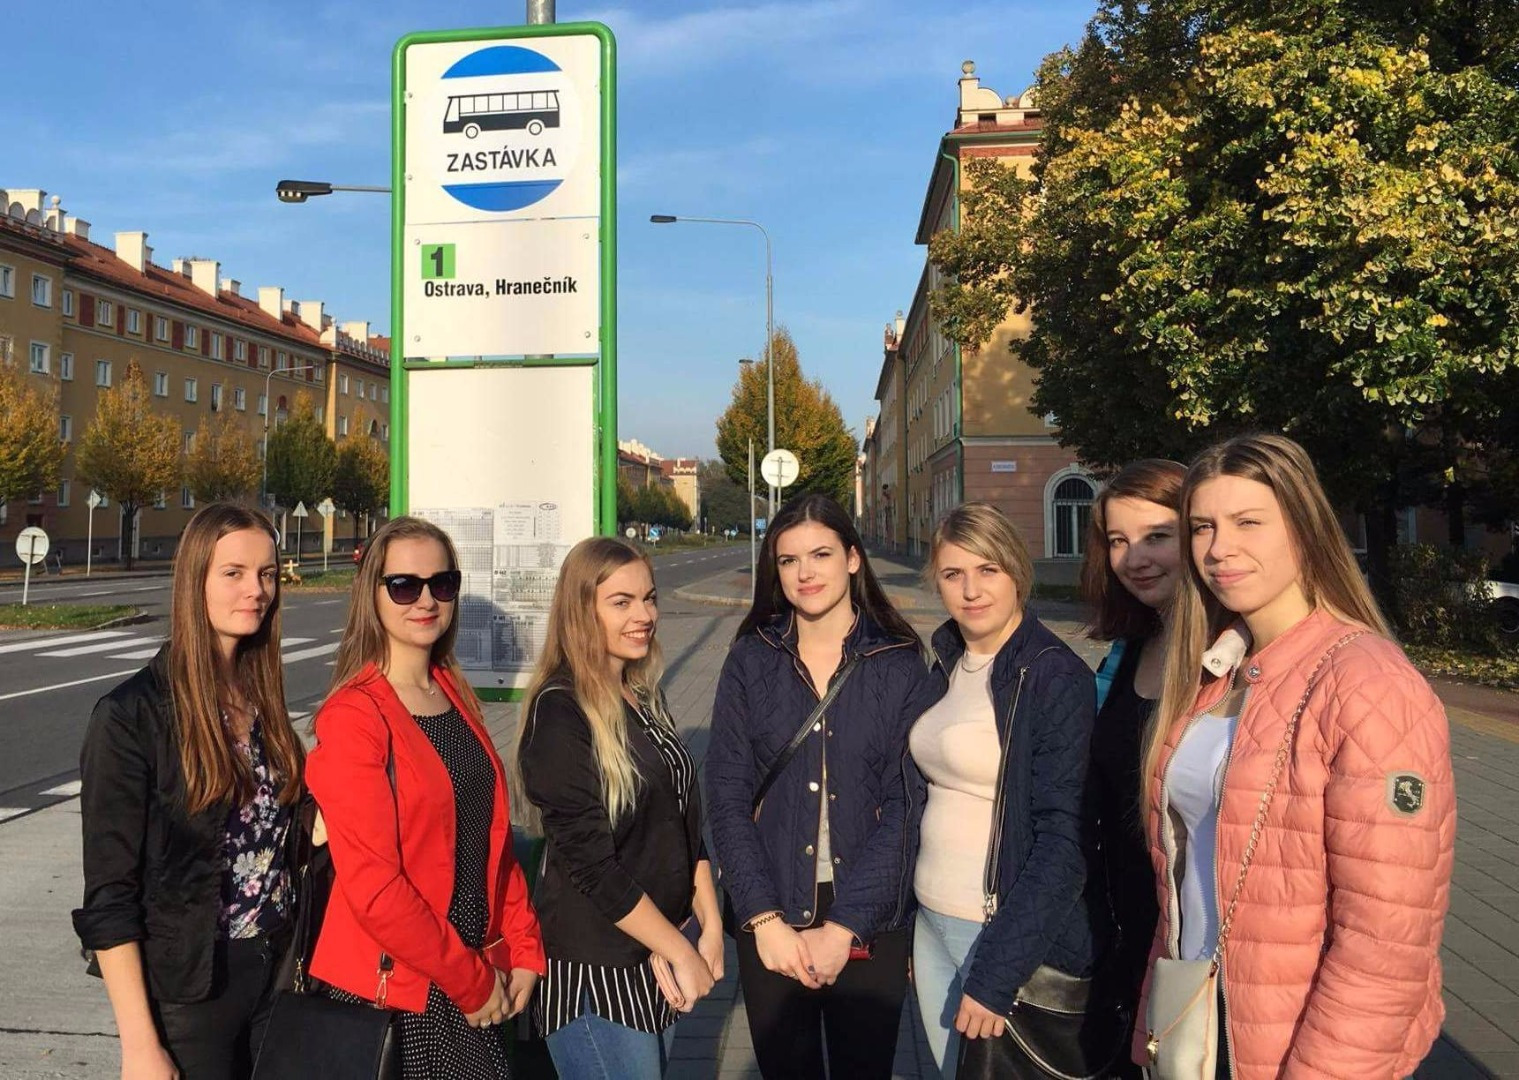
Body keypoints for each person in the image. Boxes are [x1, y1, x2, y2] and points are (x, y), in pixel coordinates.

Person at [1138, 434, 1455, 1077]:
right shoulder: (1218, 669)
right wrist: (1154, 1016)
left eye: (1248, 522)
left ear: (1305, 529)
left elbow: (1386, 942)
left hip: (1295, 1046)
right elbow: (1186, 876)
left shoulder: (1368, 683)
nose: (1219, 549)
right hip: (1200, 1019)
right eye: (1203, 527)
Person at [305, 516, 545, 1079]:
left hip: (472, 977)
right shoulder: (354, 716)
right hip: (400, 995)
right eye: (404, 586)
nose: (426, 600)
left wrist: (524, 946)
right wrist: (471, 981)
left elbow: (489, 840)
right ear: (373, 594)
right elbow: (375, 889)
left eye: (442, 583)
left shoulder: (450, 691)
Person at [708, 493, 937, 1080]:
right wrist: (762, 919)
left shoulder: (899, 662)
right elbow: (727, 796)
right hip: (772, 907)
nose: (805, 573)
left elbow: (907, 808)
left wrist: (845, 927)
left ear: (853, 559)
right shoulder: (751, 660)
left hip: (869, 914)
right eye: (789, 560)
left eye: (821, 555)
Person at [74, 503, 305, 1080]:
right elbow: (110, 895)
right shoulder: (131, 717)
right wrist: (140, 1046)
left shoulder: (260, 699)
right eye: (233, 573)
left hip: (278, 972)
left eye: (267, 573)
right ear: (194, 581)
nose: (256, 590)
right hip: (190, 994)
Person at [911, 501, 1113, 1076]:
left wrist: (997, 975)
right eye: (953, 574)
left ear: (1017, 572)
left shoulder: (1053, 675)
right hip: (932, 921)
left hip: (997, 933)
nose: (971, 590)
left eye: (988, 570)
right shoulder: (949, 659)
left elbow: (1064, 840)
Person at [514, 536, 721, 1079]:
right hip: (596, 970)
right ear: (581, 611)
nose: (644, 615)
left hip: (655, 954)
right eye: (622, 602)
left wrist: (710, 922)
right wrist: (682, 950)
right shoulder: (560, 713)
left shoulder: (641, 693)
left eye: (649, 598)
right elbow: (593, 868)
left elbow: (681, 821)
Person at [1081, 459, 1187, 1077]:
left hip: (1188, 946)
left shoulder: (1232, 660)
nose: (1134, 558)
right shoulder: (1130, 648)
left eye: (1157, 536)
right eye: (1119, 541)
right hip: (1124, 934)